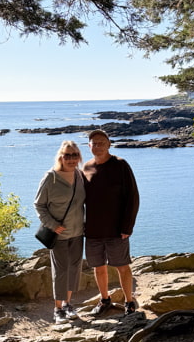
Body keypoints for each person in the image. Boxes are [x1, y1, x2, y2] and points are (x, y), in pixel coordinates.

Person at [82, 129, 140, 316]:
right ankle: (105, 299)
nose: (97, 146)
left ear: (109, 144)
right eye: (94, 143)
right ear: (89, 146)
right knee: (99, 268)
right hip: (92, 230)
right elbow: (79, 200)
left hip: (117, 229)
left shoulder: (121, 165)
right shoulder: (86, 168)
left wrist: (127, 226)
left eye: (101, 142)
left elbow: (132, 197)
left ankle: (129, 302)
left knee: (122, 267)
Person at [34, 140, 85, 324]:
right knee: (61, 271)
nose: (71, 159)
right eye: (67, 155)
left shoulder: (80, 176)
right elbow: (39, 205)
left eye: (74, 155)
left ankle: (68, 304)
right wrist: (52, 224)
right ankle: (57, 309)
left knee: (74, 269)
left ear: (79, 157)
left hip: (78, 232)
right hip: (59, 235)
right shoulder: (51, 178)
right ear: (60, 157)